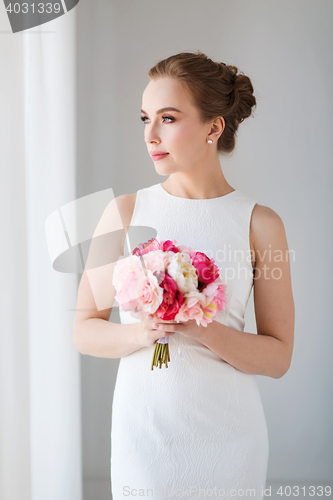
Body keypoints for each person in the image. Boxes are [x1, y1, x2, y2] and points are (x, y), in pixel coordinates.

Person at [73, 50, 295, 499]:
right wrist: (145, 331)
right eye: (145, 118)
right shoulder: (123, 212)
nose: (150, 134)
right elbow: (84, 331)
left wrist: (202, 328)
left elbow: (277, 357)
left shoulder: (260, 223)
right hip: (146, 434)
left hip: (231, 439)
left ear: (214, 126)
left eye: (168, 118)